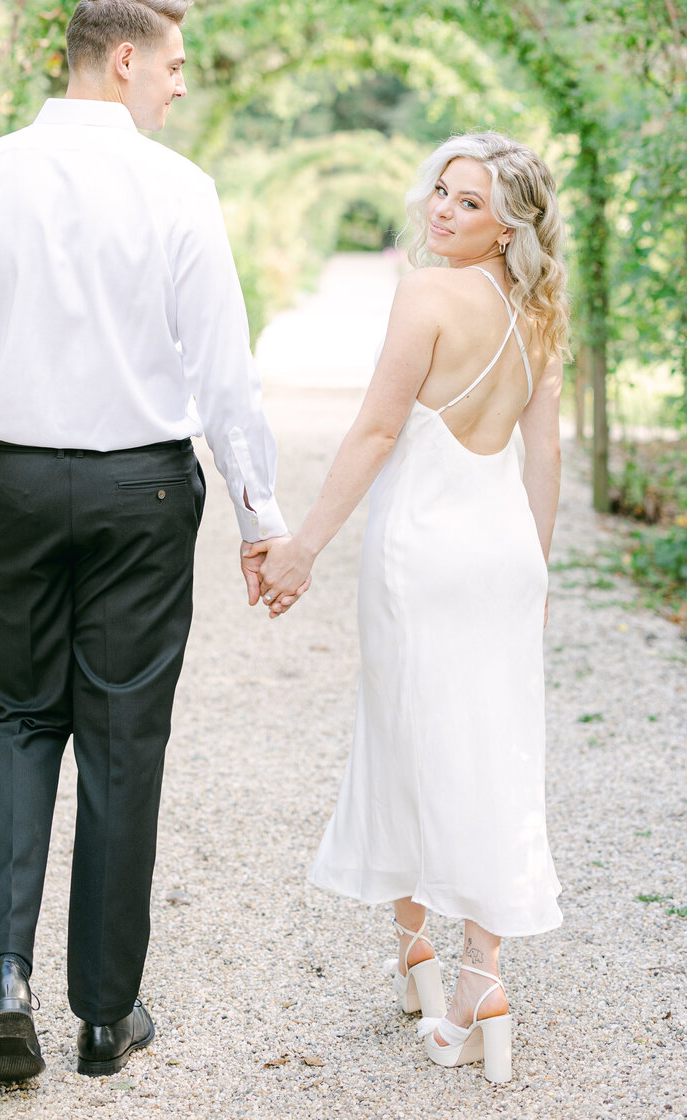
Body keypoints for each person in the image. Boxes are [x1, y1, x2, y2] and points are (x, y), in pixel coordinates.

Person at [0, 0, 287, 1084]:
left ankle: (8, 980)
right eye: (173, 64)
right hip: (143, 495)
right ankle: (103, 1019)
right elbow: (222, 369)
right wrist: (260, 514)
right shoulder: (176, 188)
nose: (180, 84)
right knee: (123, 744)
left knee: (18, 719)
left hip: (16, 487)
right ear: (121, 61)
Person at [247, 133, 566, 1086]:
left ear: (511, 223)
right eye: (441, 192)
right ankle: (480, 977)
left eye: (469, 204)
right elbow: (543, 458)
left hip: (420, 553)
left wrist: (300, 547)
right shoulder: (545, 311)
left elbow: (381, 428)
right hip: (504, 553)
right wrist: (537, 572)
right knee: (496, 745)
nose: (442, 211)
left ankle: (422, 954)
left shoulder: (426, 294)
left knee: (409, 739)